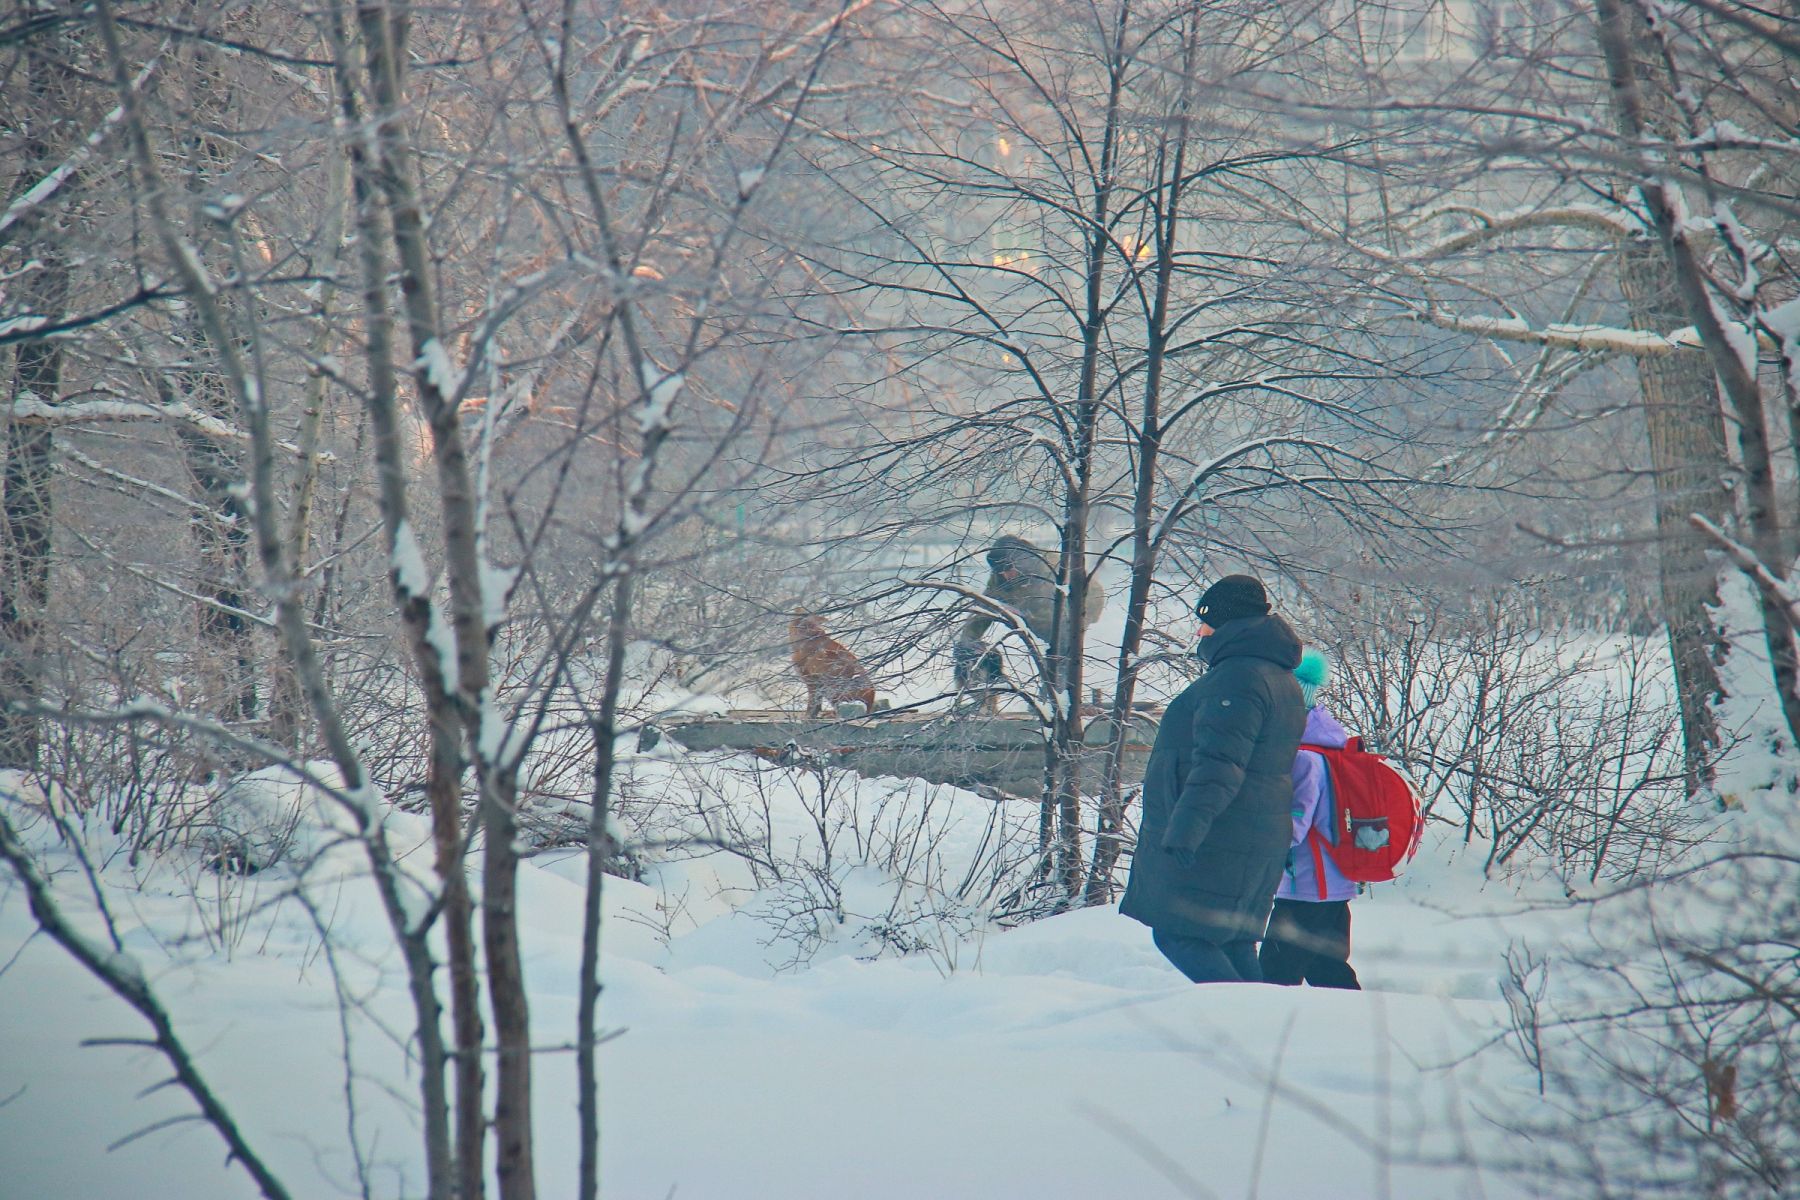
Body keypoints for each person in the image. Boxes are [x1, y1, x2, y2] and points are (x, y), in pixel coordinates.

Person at [1119, 574, 1307, 983]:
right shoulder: (1278, 677)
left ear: (1227, 623)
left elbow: (1220, 764)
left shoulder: (1238, 678)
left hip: (1219, 834)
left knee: (1178, 934)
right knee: (1228, 939)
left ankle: (1240, 1028)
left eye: (1205, 621)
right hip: (1250, 832)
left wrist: (1185, 828)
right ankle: (1260, 1025)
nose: (1200, 631)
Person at [1258, 649, 1362, 989]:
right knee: (1328, 972)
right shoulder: (1328, 747)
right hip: (1331, 883)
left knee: (1273, 975)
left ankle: (1261, 1033)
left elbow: (1294, 826)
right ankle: (1355, 1028)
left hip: (1307, 886)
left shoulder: (1303, 757)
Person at [952, 535, 1103, 695]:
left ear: (1019, 561)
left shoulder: (1046, 568)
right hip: (1042, 615)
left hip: (1083, 604)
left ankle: (1056, 702)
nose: (1006, 576)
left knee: (1061, 652)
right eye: (1000, 572)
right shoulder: (1001, 576)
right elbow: (987, 607)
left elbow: (1050, 618)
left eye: (1009, 570)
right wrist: (967, 640)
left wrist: (1022, 616)